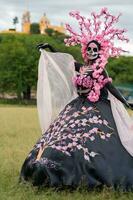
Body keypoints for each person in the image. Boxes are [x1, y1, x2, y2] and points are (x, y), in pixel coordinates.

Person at [20, 8, 133, 190]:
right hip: (78, 107)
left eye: (95, 49)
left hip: (99, 109)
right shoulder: (81, 68)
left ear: (100, 51)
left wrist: (126, 103)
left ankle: (93, 175)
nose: (91, 52)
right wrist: (50, 49)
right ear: (85, 51)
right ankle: (54, 170)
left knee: (99, 144)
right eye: (89, 49)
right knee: (62, 139)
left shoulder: (100, 70)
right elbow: (66, 63)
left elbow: (110, 88)